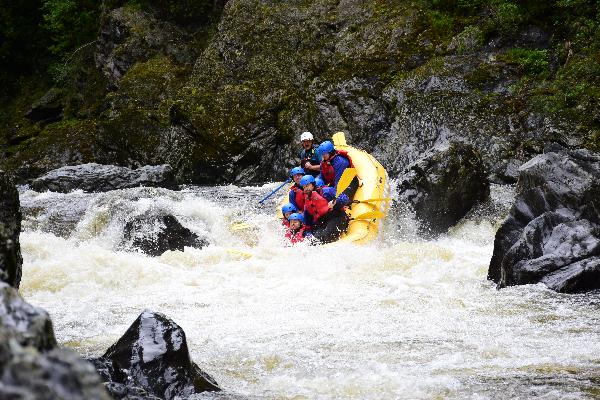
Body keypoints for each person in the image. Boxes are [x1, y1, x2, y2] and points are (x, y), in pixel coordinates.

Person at [301, 174, 351, 244]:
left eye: (307, 186)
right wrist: (308, 232)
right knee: (313, 241)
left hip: (337, 217)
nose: (306, 189)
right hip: (323, 222)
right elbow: (308, 220)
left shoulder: (327, 191)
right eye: (304, 187)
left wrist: (335, 202)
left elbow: (345, 198)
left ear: (313, 185)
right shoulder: (307, 201)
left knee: (326, 236)